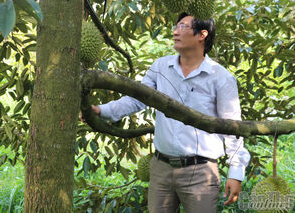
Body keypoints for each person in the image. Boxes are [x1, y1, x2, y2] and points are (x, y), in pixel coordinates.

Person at [92, 12, 250, 213]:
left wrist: (236, 172)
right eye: (176, 26)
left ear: (202, 35)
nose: (175, 32)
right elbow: (137, 99)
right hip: (161, 168)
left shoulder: (220, 78)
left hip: (201, 171)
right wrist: (101, 110)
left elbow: (232, 127)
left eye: (183, 27)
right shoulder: (161, 67)